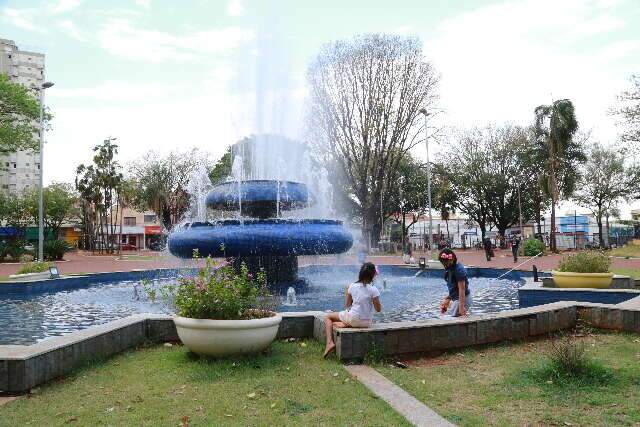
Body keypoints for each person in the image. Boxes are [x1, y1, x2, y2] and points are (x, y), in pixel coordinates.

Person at [323, 262, 381, 358]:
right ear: (372, 275)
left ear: (360, 273)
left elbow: (347, 305)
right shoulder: (374, 290)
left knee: (328, 316)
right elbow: (378, 309)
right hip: (366, 323)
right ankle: (346, 324)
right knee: (351, 317)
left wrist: (347, 292)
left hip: (354, 318)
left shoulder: (352, 286)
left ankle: (329, 342)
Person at [438, 248, 472, 317]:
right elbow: (454, 288)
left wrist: (461, 307)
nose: (443, 264)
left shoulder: (459, 270)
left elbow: (462, 289)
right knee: (455, 318)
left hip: (462, 299)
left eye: (444, 262)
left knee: (455, 320)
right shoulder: (450, 268)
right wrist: (448, 299)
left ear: (451, 259)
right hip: (458, 299)